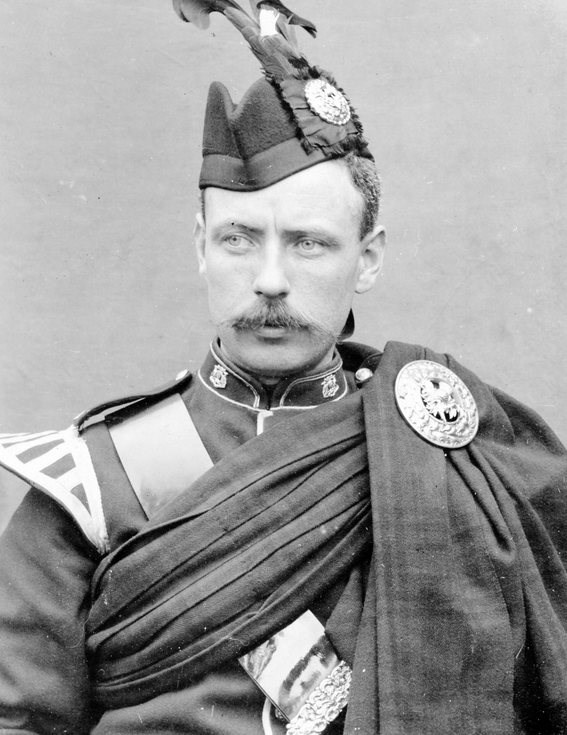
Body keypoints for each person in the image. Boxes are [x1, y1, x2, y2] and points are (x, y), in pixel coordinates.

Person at [1, 2, 567, 734]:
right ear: (200, 245)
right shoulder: (95, 480)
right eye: (240, 239)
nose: (269, 278)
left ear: (368, 257)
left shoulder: (447, 461)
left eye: (308, 243)